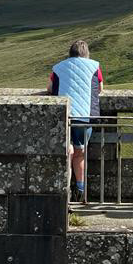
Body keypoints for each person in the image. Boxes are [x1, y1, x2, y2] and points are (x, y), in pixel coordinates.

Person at [48, 39, 104, 201]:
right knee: (80, 153)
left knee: (68, 152)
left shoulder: (58, 67)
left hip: (64, 115)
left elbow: (51, 88)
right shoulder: (94, 66)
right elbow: (100, 88)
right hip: (84, 116)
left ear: (70, 54)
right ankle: (80, 189)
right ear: (86, 54)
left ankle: (65, 191)